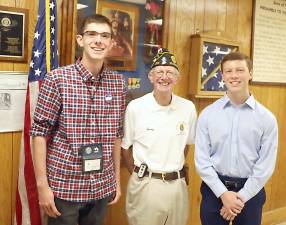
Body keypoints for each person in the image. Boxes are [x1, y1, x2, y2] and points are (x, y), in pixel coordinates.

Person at [30, 14, 126, 225]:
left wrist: (116, 182)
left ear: (111, 43)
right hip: (65, 187)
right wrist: (42, 186)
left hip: (102, 186)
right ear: (80, 39)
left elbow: (117, 136)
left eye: (104, 35)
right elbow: (39, 133)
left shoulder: (118, 84)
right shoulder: (57, 79)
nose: (98, 40)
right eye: (91, 34)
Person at [195, 52, 278, 225]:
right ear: (222, 76)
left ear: (250, 74)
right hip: (214, 190)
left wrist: (240, 198)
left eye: (240, 70)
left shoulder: (266, 118)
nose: (234, 75)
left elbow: (265, 165)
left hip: (251, 192)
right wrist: (223, 194)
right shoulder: (208, 115)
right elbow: (202, 161)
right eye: (229, 71)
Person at [121, 48, 197, 225]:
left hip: (177, 185)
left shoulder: (188, 108)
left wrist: (171, 167)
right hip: (145, 185)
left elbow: (186, 145)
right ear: (151, 77)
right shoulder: (136, 107)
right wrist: (140, 176)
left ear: (177, 78)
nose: (164, 77)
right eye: (160, 72)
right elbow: (125, 148)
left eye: (170, 72)